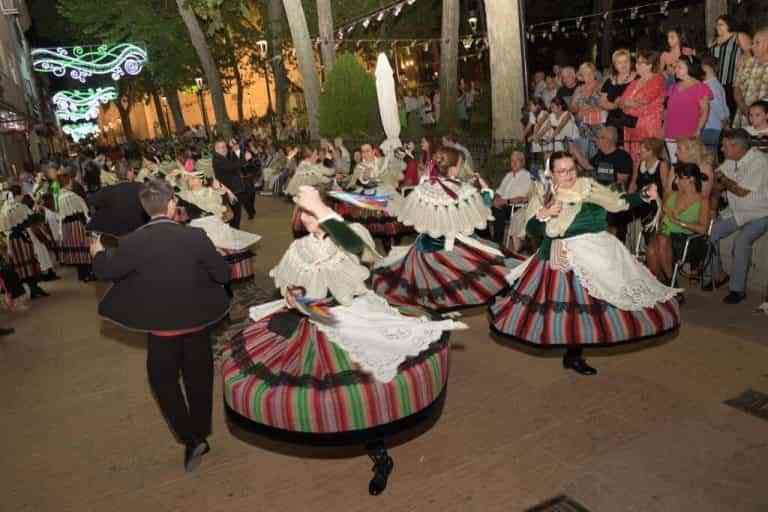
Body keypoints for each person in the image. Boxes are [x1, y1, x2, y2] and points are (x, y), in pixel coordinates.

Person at [219, 186, 465, 494]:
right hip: (314, 325)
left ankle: (380, 456)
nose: (308, 219)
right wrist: (294, 299)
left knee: (371, 393)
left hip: (355, 320)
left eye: (313, 211)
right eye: (304, 212)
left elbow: (362, 250)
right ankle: (361, 442)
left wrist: (321, 209)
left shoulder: (350, 234)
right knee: (327, 397)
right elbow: (288, 288)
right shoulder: (297, 250)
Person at [489, 151, 680, 375]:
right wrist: (544, 214)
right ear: (552, 173)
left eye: (571, 169)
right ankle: (573, 354)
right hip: (563, 255)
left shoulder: (588, 186)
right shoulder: (544, 192)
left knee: (602, 303)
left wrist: (643, 195)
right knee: (570, 309)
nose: (568, 175)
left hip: (599, 251)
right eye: (561, 171)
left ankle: (575, 355)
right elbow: (530, 228)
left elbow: (618, 202)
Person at [92, 178, 230, 472]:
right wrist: (216, 256)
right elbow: (222, 275)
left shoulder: (133, 243)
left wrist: (97, 253)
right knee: (200, 381)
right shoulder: (195, 236)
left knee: (163, 384)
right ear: (171, 204)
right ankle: (201, 432)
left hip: (161, 332)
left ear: (145, 208)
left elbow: (107, 271)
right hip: (197, 325)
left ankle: (190, 438)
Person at [371, 147, 509, 310]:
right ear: (452, 169)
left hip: (422, 249)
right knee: (494, 269)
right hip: (447, 251)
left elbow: (415, 213)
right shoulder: (464, 191)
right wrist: (486, 191)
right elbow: (481, 212)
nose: (460, 168)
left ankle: (436, 313)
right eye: (459, 165)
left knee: (423, 287)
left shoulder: (424, 188)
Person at [705, 129, 768, 304]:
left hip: (760, 213)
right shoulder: (732, 159)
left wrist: (722, 180)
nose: (722, 150)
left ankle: (737, 290)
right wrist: (713, 206)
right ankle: (718, 275)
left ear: (737, 147)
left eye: (725, 146)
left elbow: (740, 191)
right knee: (711, 232)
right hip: (736, 211)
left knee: (741, 242)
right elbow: (717, 183)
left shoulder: (759, 162)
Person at [646, 162, 711, 285]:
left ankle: (670, 284)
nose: (675, 181)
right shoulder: (672, 194)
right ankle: (663, 284)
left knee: (660, 241)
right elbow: (662, 215)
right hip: (664, 234)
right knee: (651, 249)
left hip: (685, 240)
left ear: (691, 179)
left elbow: (703, 229)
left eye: (679, 178)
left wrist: (680, 222)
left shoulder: (702, 201)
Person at [618, 50, 665, 166]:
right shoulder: (635, 82)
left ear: (649, 65)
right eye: (637, 62)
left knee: (649, 159)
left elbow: (644, 100)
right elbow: (621, 101)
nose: (636, 65)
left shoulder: (657, 79)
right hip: (632, 126)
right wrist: (629, 103)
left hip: (648, 128)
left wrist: (628, 103)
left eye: (640, 63)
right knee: (633, 159)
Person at [0, 194, 49, 299]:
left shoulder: (5, 212)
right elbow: (28, 220)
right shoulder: (19, 208)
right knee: (29, 264)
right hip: (22, 239)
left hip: (13, 240)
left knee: (23, 266)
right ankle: (34, 289)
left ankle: (33, 289)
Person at [665, 56, 712, 162]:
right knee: (674, 165)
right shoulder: (673, 87)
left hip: (689, 136)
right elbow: (667, 111)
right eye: (675, 66)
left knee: (689, 165)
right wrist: (664, 129)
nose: (676, 69)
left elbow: (705, 112)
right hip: (671, 134)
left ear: (690, 68)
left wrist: (698, 131)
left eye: (680, 67)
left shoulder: (700, 87)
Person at [86, 164, 148, 238]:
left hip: (116, 237)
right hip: (141, 234)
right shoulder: (143, 188)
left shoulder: (107, 191)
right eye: (133, 171)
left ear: (116, 174)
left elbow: (89, 202)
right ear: (129, 172)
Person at [492, 150, 532, 252]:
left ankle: (496, 245)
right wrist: (496, 198)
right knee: (484, 209)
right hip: (503, 204)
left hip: (515, 207)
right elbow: (499, 191)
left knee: (497, 212)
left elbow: (524, 198)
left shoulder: (526, 176)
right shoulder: (508, 175)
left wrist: (505, 201)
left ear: (522, 162)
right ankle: (486, 241)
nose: (513, 163)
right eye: (512, 161)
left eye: (516, 161)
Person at [58, 171, 95, 282]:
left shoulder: (60, 197)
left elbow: (62, 214)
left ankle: (81, 274)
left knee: (77, 252)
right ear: (68, 182)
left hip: (67, 227)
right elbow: (83, 210)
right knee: (84, 249)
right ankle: (89, 273)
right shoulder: (72, 195)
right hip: (77, 225)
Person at [600, 49, 636, 147]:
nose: (623, 65)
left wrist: (624, 103)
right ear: (615, 65)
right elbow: (602, 102)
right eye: (619, 62)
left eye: (625, 61)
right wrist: (616, 105)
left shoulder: (638, 78)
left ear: (630, 62)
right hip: (613, 123)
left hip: (631, 122)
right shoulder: (609, 80)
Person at [734, 27, 768, 129]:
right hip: (743, 117)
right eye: (752, 43)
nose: (752, 47)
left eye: (757, 43)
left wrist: (758, 112)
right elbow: (736, 87)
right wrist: (742, 106)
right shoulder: (747, 62)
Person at [708, 15, 742, 118]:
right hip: (715, 81)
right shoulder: (713, 41)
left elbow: (748, 53)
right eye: (717, 25)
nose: (717, 27)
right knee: (717, 110)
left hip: (731, 81)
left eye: (721, 24)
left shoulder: (737, 37)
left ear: (729, 25)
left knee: (730, 110)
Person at [212, 139, 247, 228]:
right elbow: (231, 167)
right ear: (216, 149)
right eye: (221, 147)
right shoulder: (218, 159)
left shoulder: (223, 157)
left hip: (233, 190)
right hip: (230, 191)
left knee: (235, 214)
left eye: (225, 147)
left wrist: (237, 150)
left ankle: (234, 232)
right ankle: (234, 233)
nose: (224, 149)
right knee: (235, 215)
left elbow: (235, 161)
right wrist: (244, 159)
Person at [701, 55, 731, 153]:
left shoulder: (709, 86)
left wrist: (724, 121)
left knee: (709, 156)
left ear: (706, 67)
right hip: (716, 127)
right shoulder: (717, 84)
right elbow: (724, 106)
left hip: (712, 127)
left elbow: (717, 105)